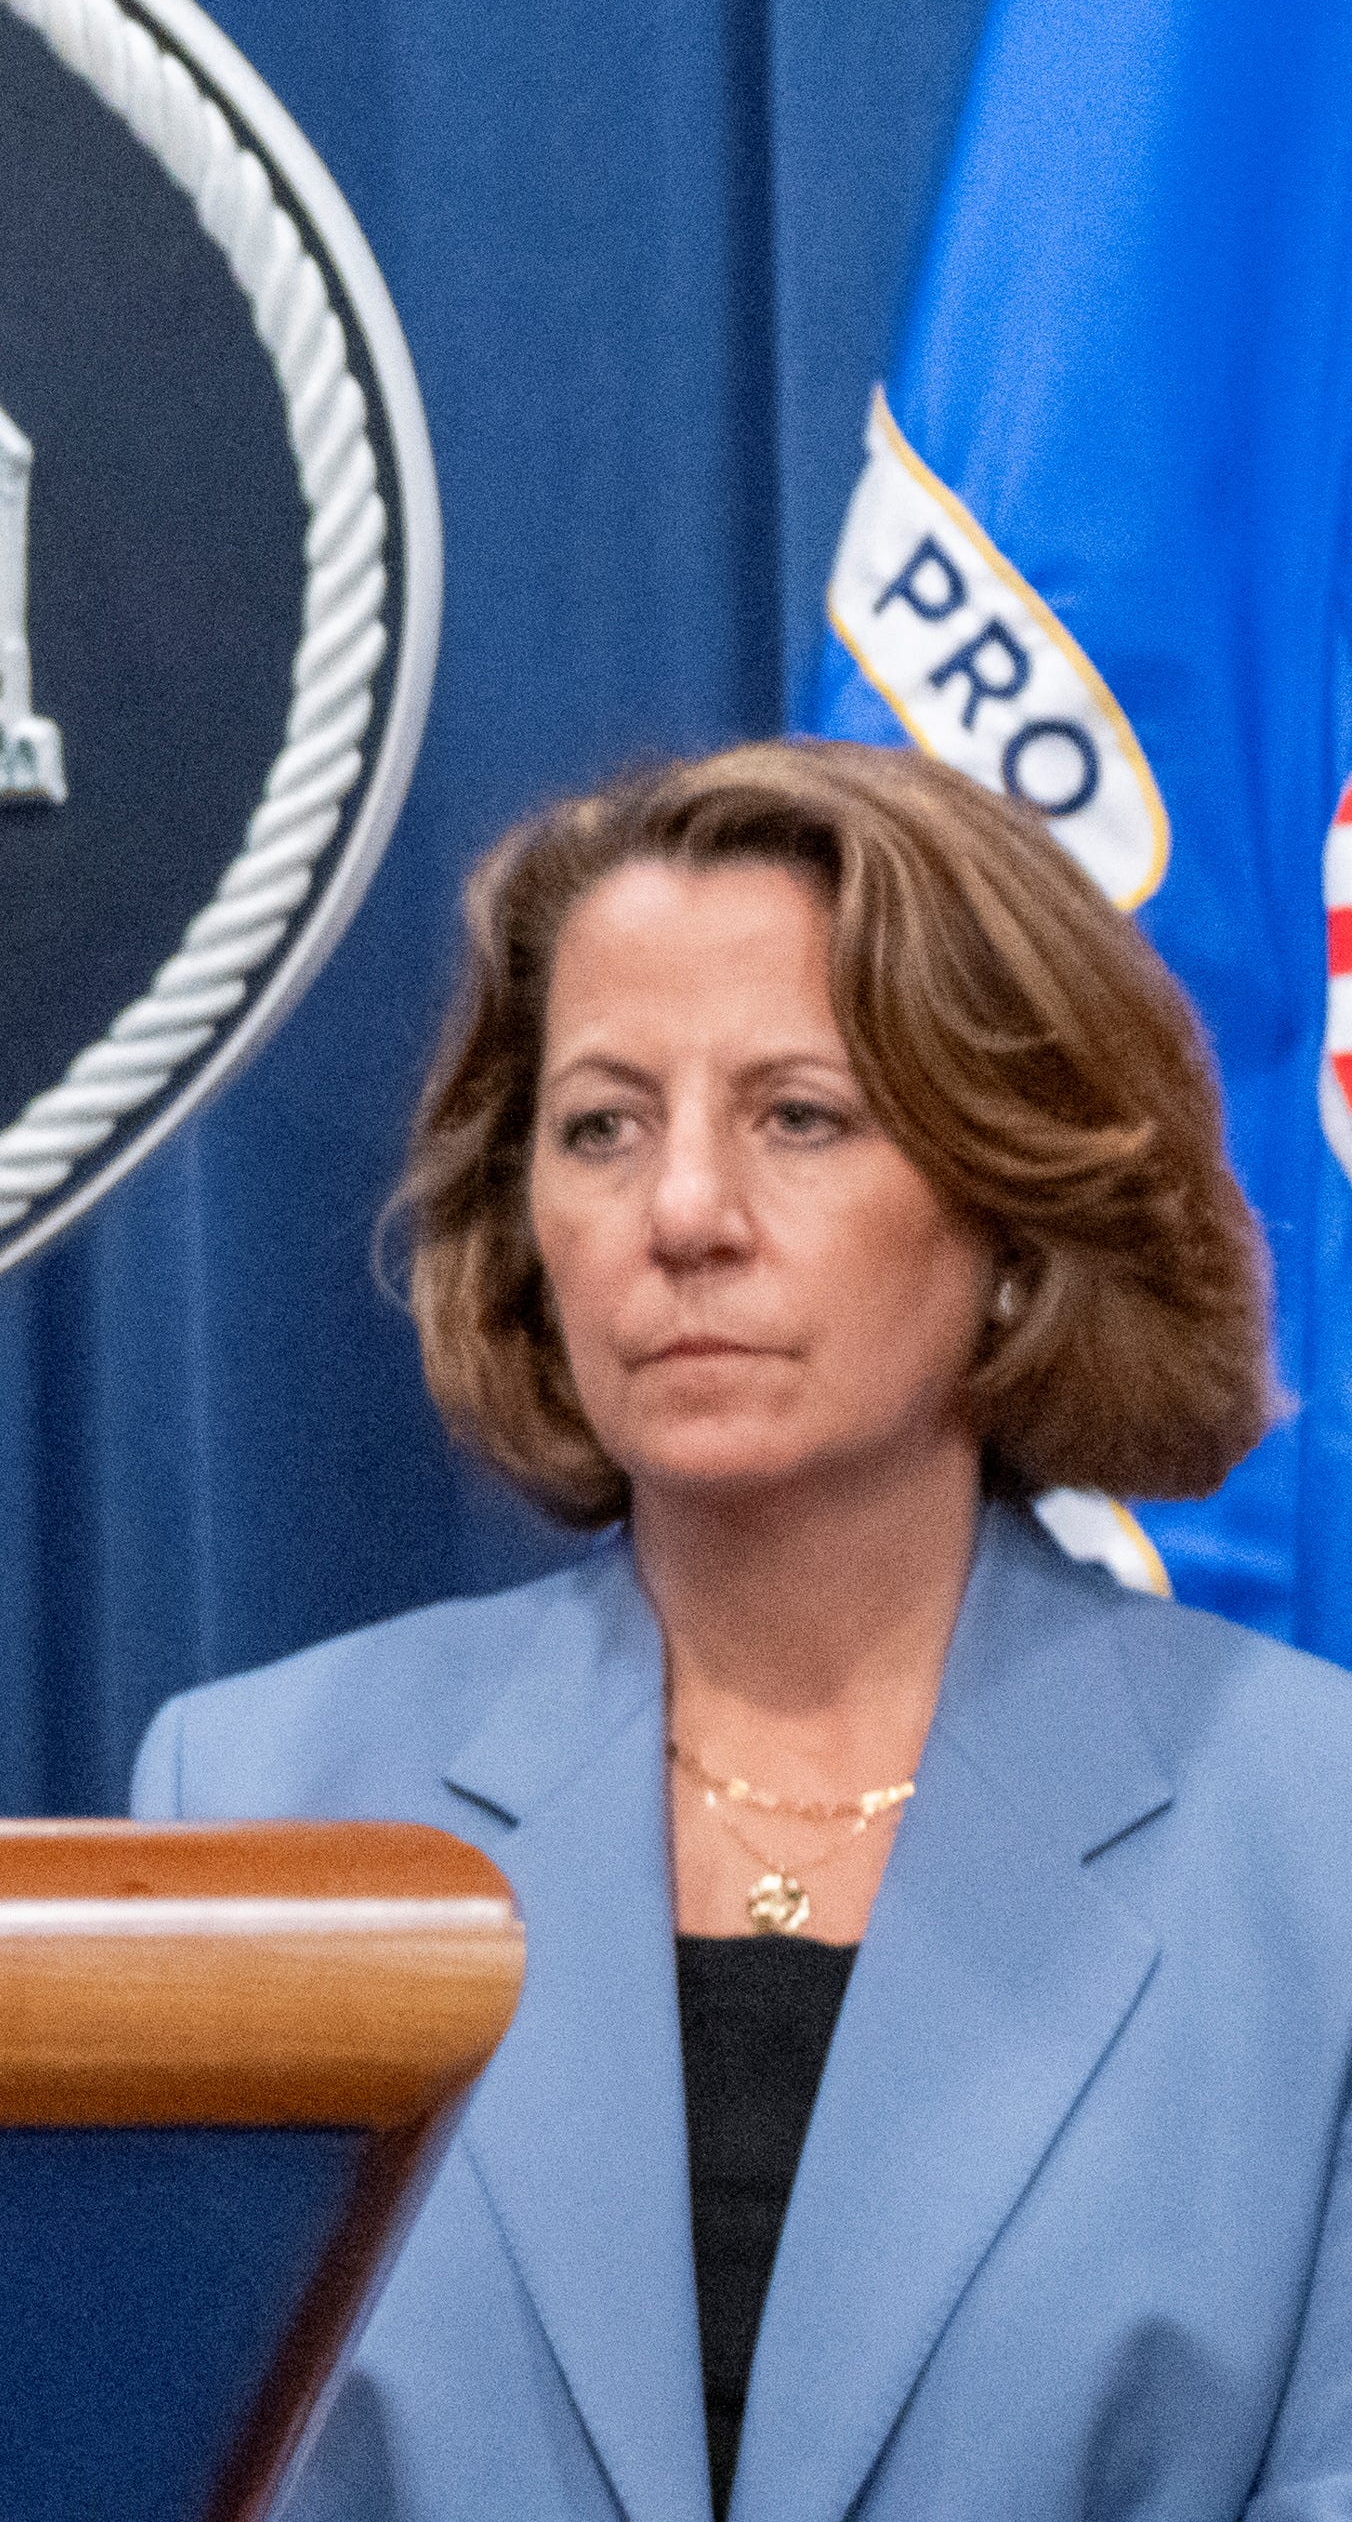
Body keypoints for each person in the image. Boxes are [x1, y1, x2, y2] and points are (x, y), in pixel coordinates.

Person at [137, 740, 1352, 2522]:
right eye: (603, 1125)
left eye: (800, 1115)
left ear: (1010, 1205)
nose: (685, 1214)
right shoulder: (266, 1796)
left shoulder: (1311, 1830)